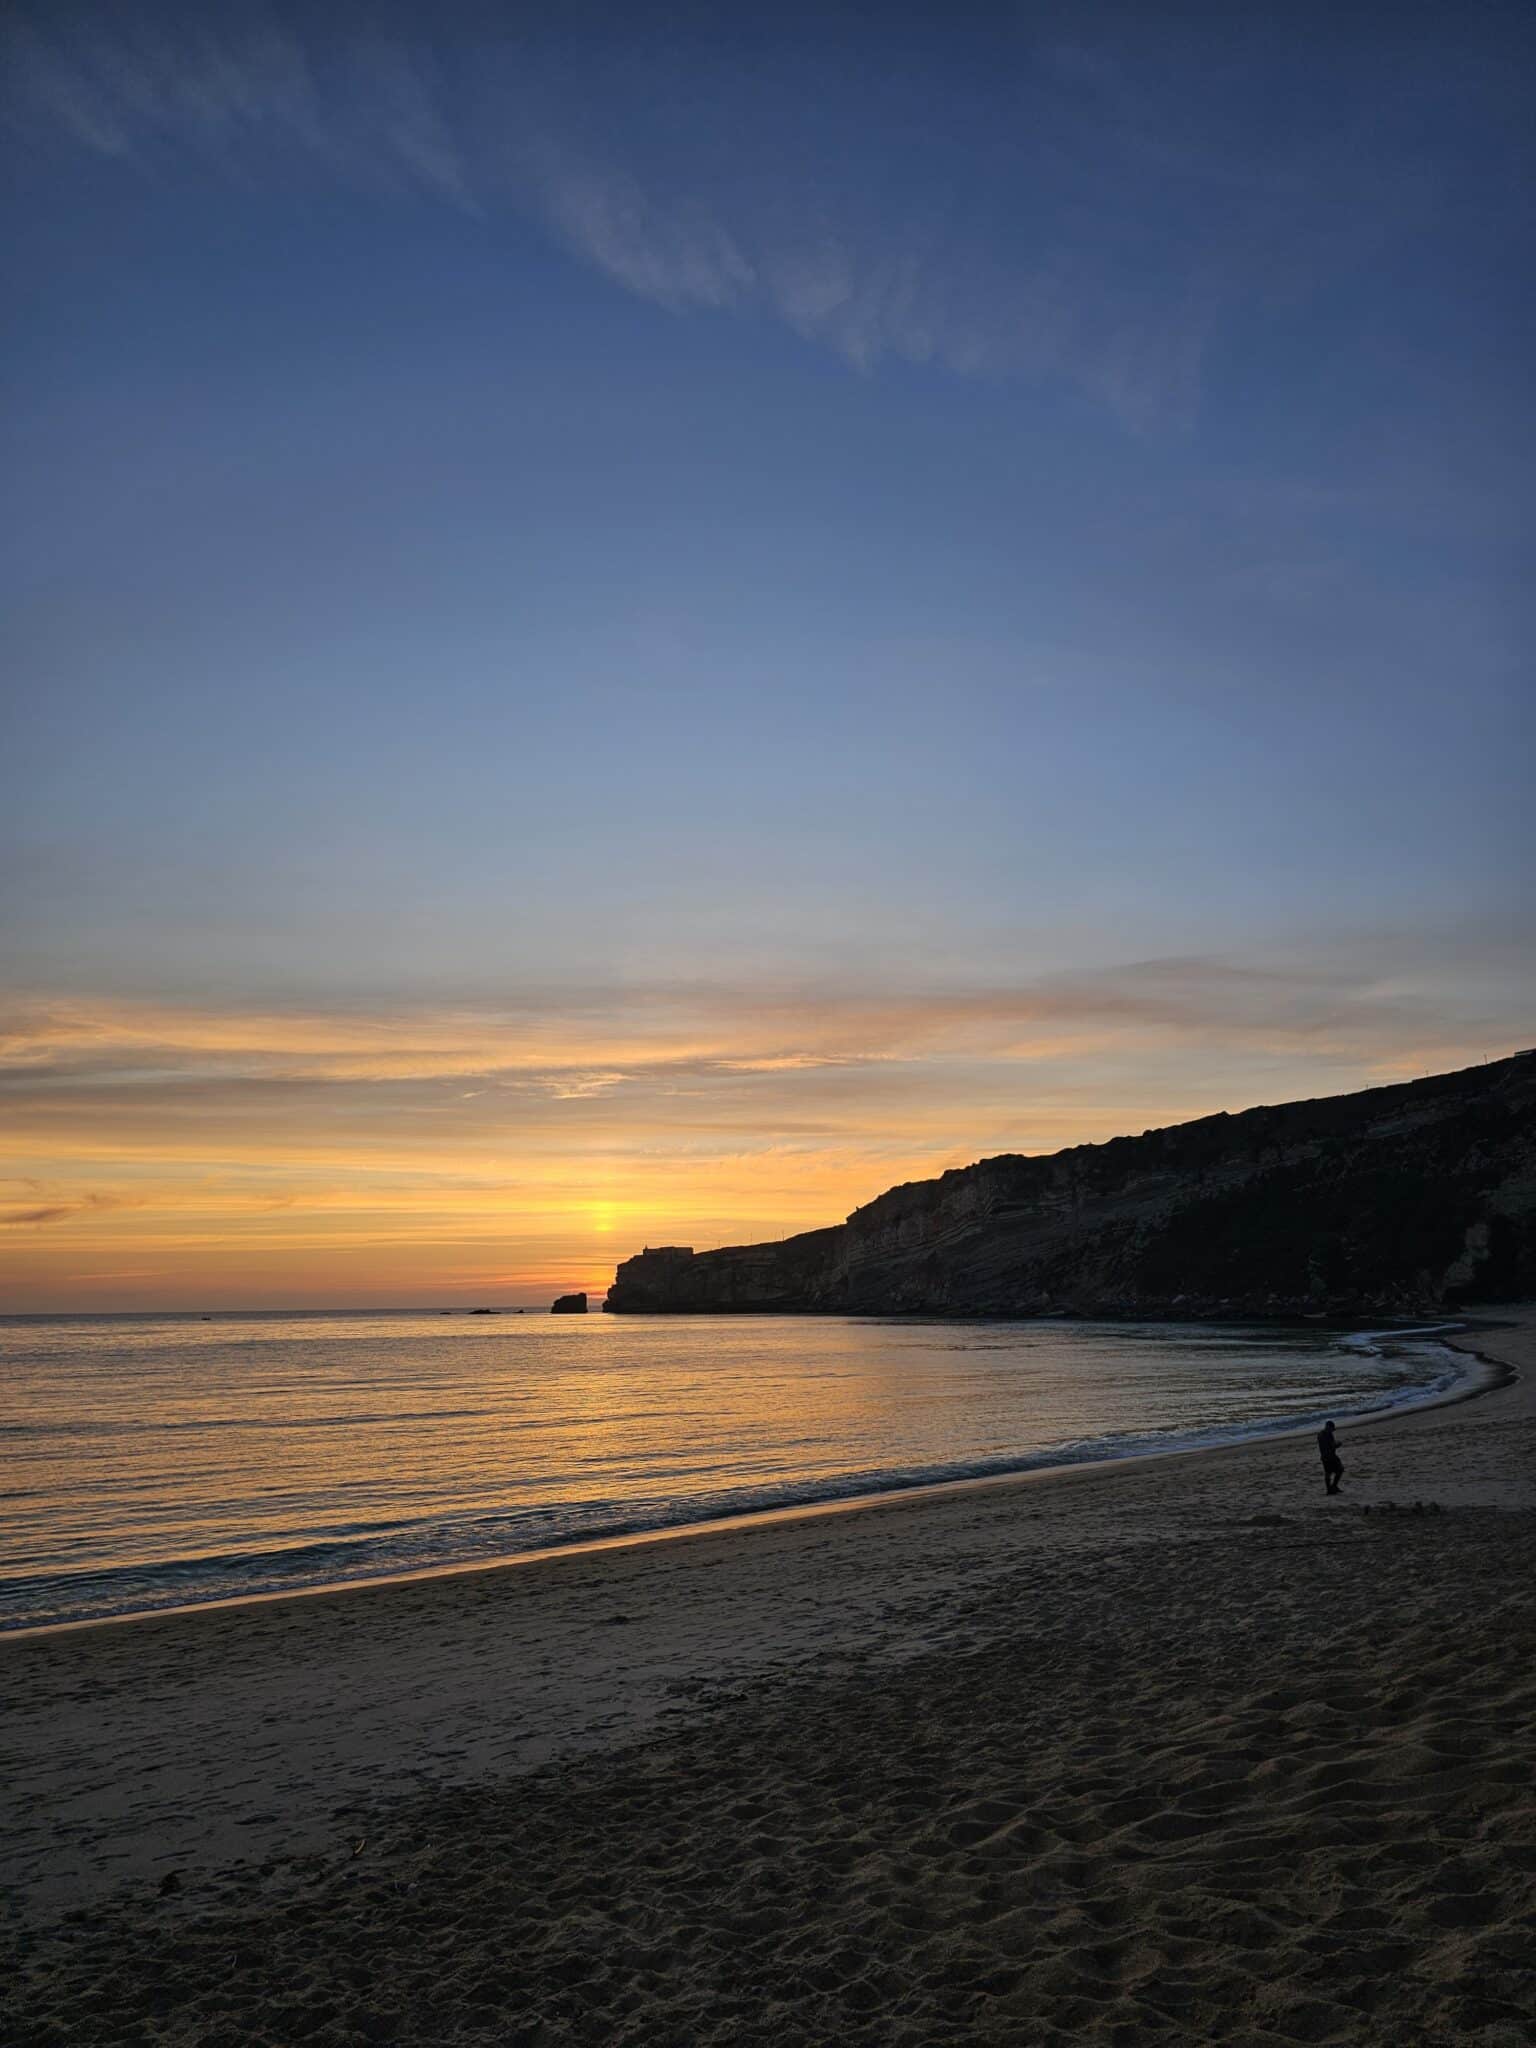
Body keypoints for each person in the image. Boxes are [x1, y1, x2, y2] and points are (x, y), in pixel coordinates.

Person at [1317, 1419, 1344, 1496]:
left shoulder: (1321, 1434)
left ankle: (1331, 1488)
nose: (1332, 1431)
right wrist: (1338, 1444)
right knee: (1339, 1470)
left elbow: (1330, 1445)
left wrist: (1335, 1444)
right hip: (1329, 1457)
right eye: (1332, 1429)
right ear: (1328, 1427)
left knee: (1330, 1472)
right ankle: (1332, 1488)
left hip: (1327, 1456)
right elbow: (1331, 1446)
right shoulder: (1324, 1435)